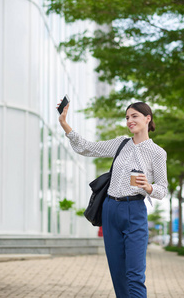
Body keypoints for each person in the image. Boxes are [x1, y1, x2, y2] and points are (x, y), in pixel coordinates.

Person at [57, 101, 168, 298]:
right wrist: (64, 123)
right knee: (118, 274)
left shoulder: (157, 153)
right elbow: (86, 148)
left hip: (134, 210)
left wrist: (148, 187)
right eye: (127, 117)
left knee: (134, 274)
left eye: (134, 116)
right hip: (110, 210)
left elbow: (162, 189)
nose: (130, 121)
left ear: (147, 118)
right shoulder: (121, 143)